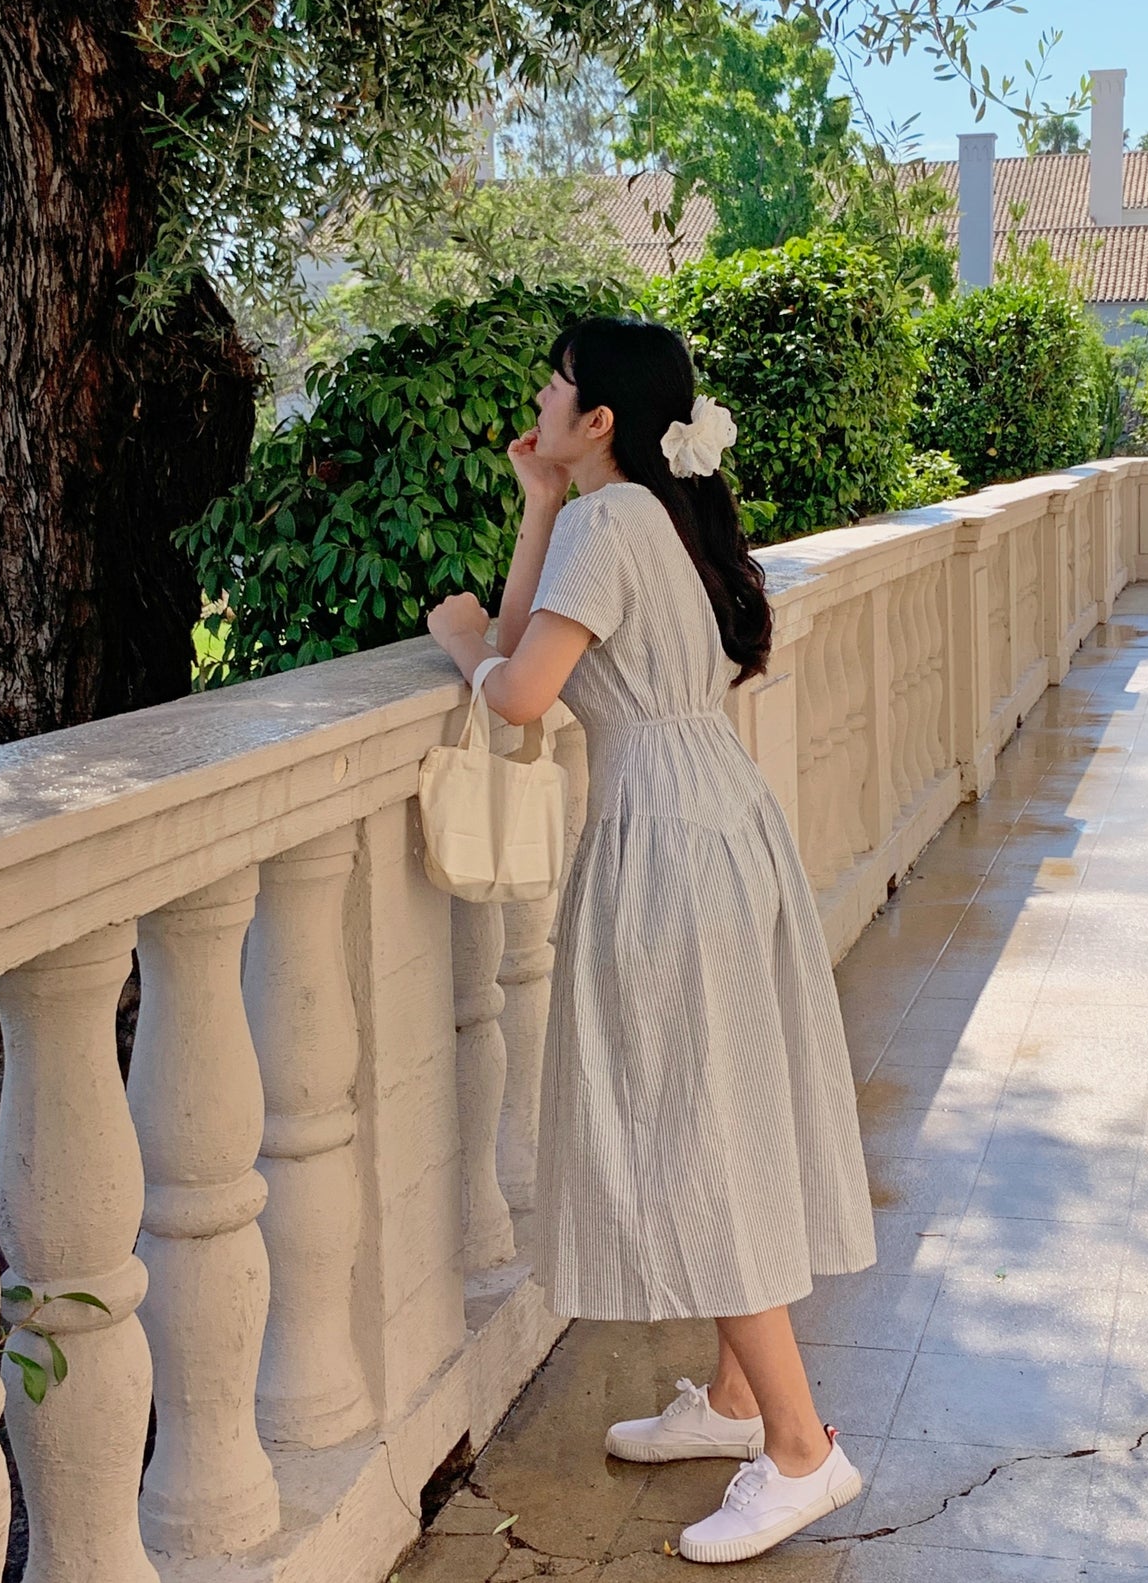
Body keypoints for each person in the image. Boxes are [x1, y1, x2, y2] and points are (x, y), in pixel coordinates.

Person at [427, 316, 876, 1564]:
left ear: (600, 418)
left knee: (692, 1125)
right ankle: (739, 1406)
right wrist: (534, 499)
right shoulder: (644, 519)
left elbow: (517, 688)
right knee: (717, 1109)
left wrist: (460, 645)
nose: (538, 390)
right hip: (712, 823)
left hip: (665, 847)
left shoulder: (609, 523)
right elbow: (543, 641)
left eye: (555, 381)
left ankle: (801, 1446)